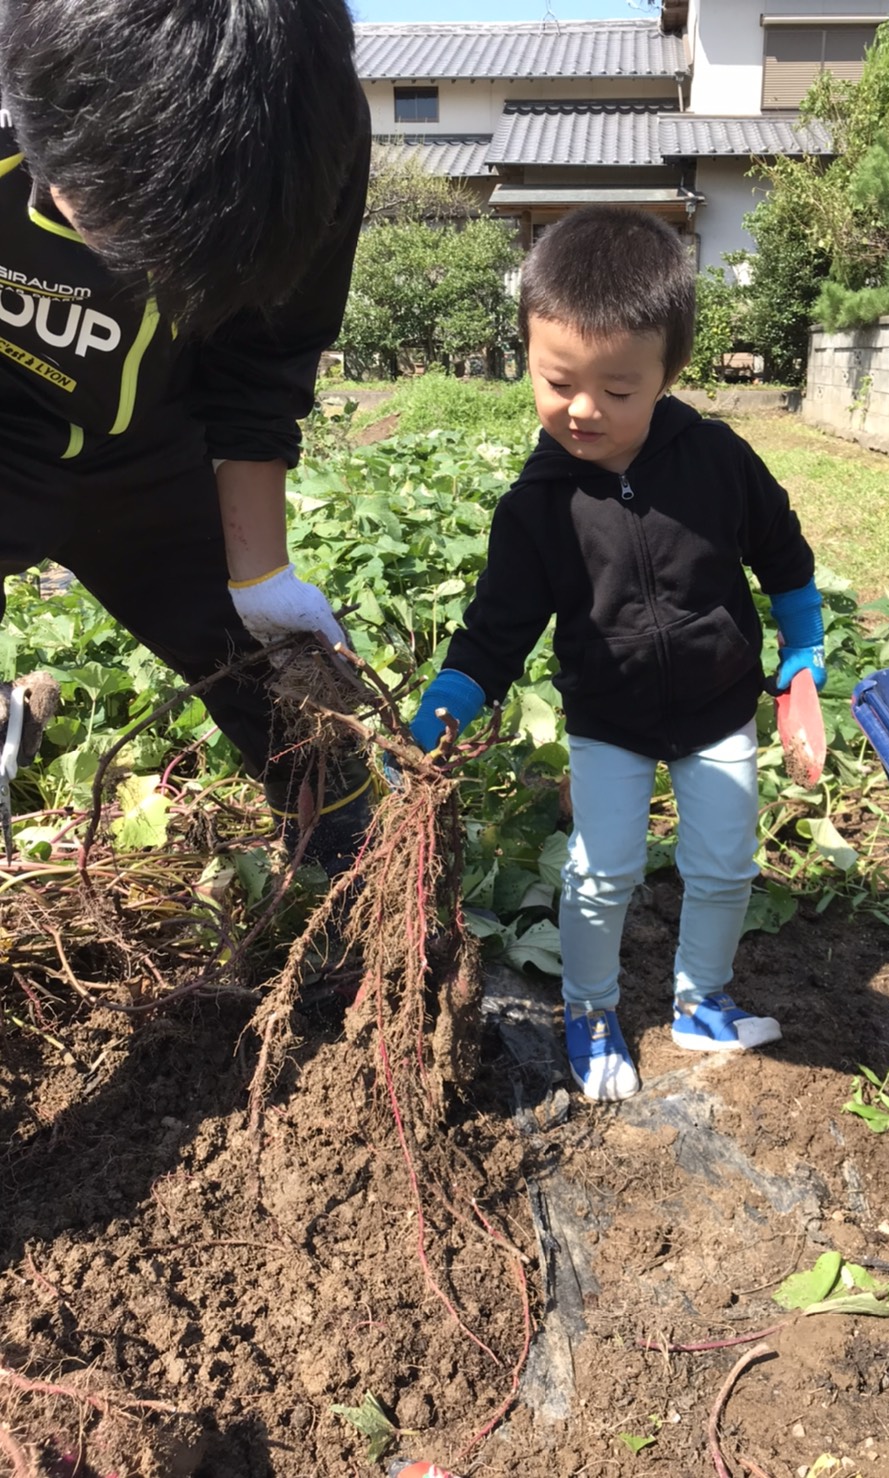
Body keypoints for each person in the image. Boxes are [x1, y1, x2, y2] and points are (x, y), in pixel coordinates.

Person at [409, 206, 825, 1102]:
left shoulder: (716, 459)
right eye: (558, 382)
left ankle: (700, 1001)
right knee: (604, 875)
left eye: (620, 390)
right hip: (609, 719)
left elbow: (784, 555)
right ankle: (591, 1010)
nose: (584, 410)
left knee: (724, 864)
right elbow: (498, 628)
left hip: (718, 709)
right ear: (527, 353)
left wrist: (805, 655)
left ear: (670, 373)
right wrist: (455, 692)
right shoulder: (537, 508)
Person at [0, 0, 373, 874]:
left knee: (286, 696)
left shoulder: (302, 131)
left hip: (152, 441)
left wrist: (264, 581)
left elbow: (265, 360)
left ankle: (352, 900)